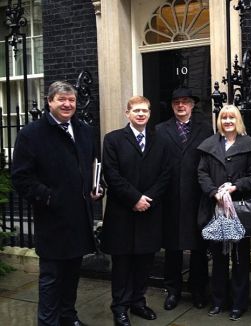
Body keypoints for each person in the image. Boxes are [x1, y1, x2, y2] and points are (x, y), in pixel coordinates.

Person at [11, 81, 102, 326]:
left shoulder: (83, 130)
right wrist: (49, 197)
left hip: (79, 216)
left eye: (71, 100)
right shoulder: (31, 134)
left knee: (72, 273)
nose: (67, 104)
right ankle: (48, 322)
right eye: (61, 99)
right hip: (52, 219)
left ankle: (67, 316)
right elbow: (20, 177)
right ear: (49, 101)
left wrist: (96, 188)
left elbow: (91, 165)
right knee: (51, 277)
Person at [100, 96, 170, 326]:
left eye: (145, 111)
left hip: (150, 211)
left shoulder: (160, 141)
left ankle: (138, 302)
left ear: (150, 114)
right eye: (136, 110)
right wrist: (135, 198)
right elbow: (111, 174)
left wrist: (147, 198)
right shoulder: (113, 140)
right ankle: (120, 307)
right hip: (122, 212)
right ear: (127, 113)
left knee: (144, 262)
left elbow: (166, 174)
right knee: (122, 264)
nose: (141, 114)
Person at [197, 104, 251, 321]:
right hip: (215, 209)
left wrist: (235, 186)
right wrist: (214, 192)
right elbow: (202, 174)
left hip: (238, 209)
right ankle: (218, 301)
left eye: (232, 117)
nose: (228, 121)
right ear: (219, 121)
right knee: (218, 257)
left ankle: (239, 304)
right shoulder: (210, 145)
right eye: (224, 117)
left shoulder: (249, 144)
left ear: (238, 120)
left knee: (240, 258)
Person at [155, 87, 213, 310]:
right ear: (172, 106)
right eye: (177, 102)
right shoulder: (160, 130)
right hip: (170, 197)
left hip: (198, 196)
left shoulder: (205, 129)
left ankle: (198, 289)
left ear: (192, 105)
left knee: (199, 247)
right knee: (173, 247)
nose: (181, 105)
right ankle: (173, 290)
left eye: (185, 101)